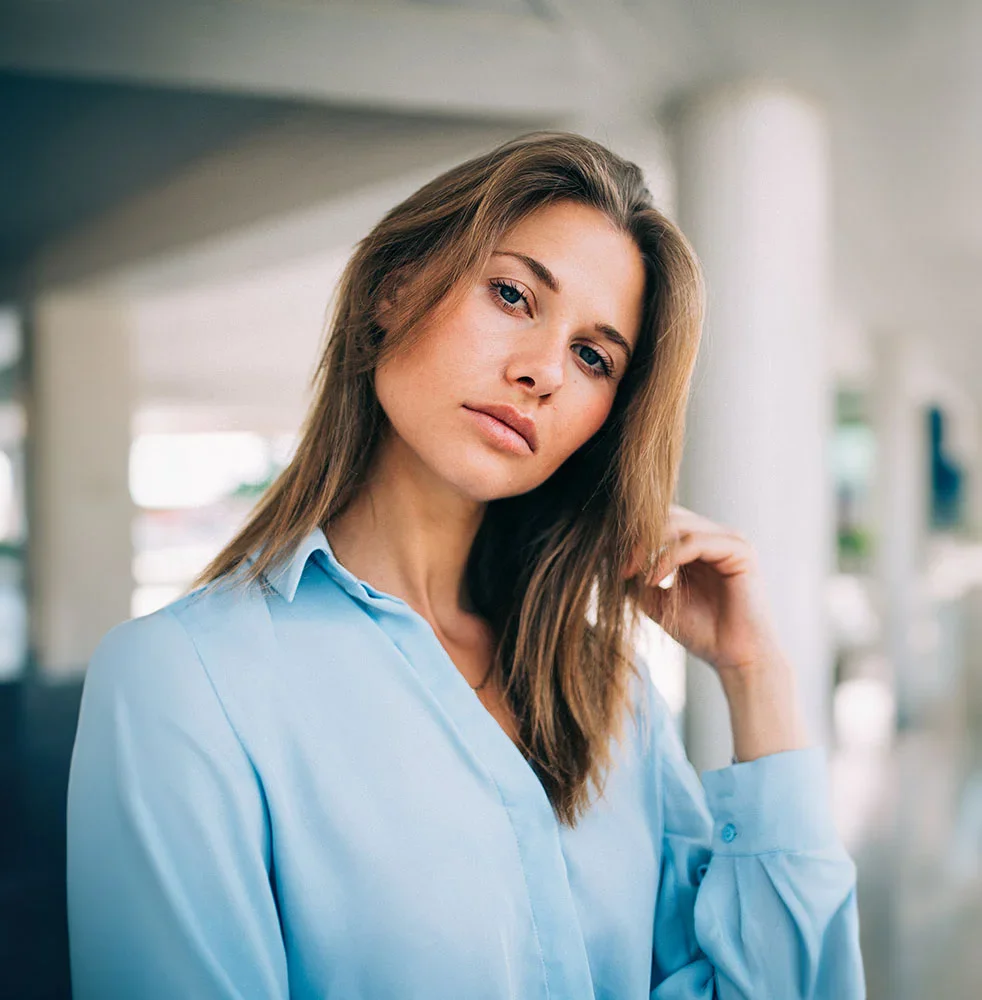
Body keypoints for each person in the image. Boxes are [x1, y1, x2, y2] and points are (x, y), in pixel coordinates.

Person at [66, 131, 865, 999]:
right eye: (515, 295)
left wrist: (756, 675)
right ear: (393, 286)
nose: (542, 372)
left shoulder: (607, 692)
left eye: (594, 357)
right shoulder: (185, 681)